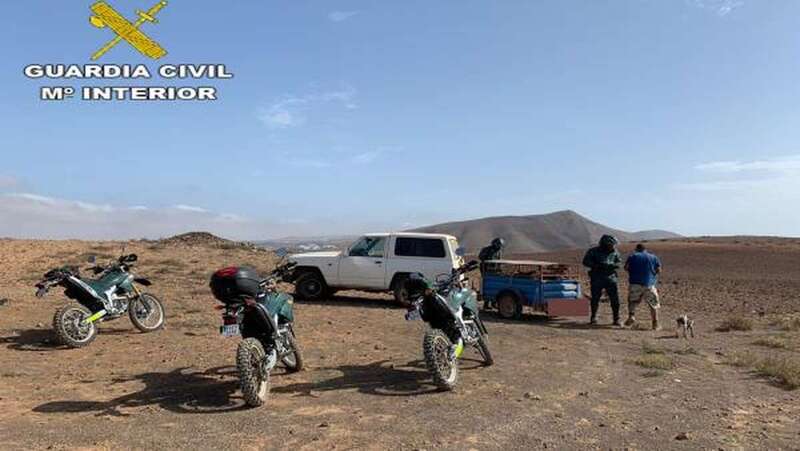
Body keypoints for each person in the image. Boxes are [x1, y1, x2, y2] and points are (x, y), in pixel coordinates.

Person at [582, 234, 622, 326]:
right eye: (611, 244)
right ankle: (593, 318)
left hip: (611, 278)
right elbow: (585, 262)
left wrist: (613, 265)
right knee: (595, 299)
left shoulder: (615, 252)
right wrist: (597, 265)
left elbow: (619, 262)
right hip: (597, 277)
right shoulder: (593, 251)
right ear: (605, 244)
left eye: (613, 245)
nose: (613, 246)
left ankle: (616, 319)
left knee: (615, 299)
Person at [624, 243, 662, 330]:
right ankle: (655, 323)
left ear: (636, 249)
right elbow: (659, 270)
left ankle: (631, 316)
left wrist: (633, 272)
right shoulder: (653, 257)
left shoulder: (632, 256)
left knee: (632, 301)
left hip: (635, 283)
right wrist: (652, 275)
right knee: (653, 304)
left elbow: (626, 267)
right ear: (645, 249)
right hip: (649, 284)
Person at [479, 238, 505, 309]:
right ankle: (486, 304)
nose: (499, 247)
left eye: (500, 245)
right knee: (488, 286)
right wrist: (486, 259)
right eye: (498, 245)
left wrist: (499, 269)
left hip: (495, 271)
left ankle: (493, 303)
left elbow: (499, 260)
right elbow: (480, 257)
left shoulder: (498, 251)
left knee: (495, 286)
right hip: (486, 270)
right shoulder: (486, 250)